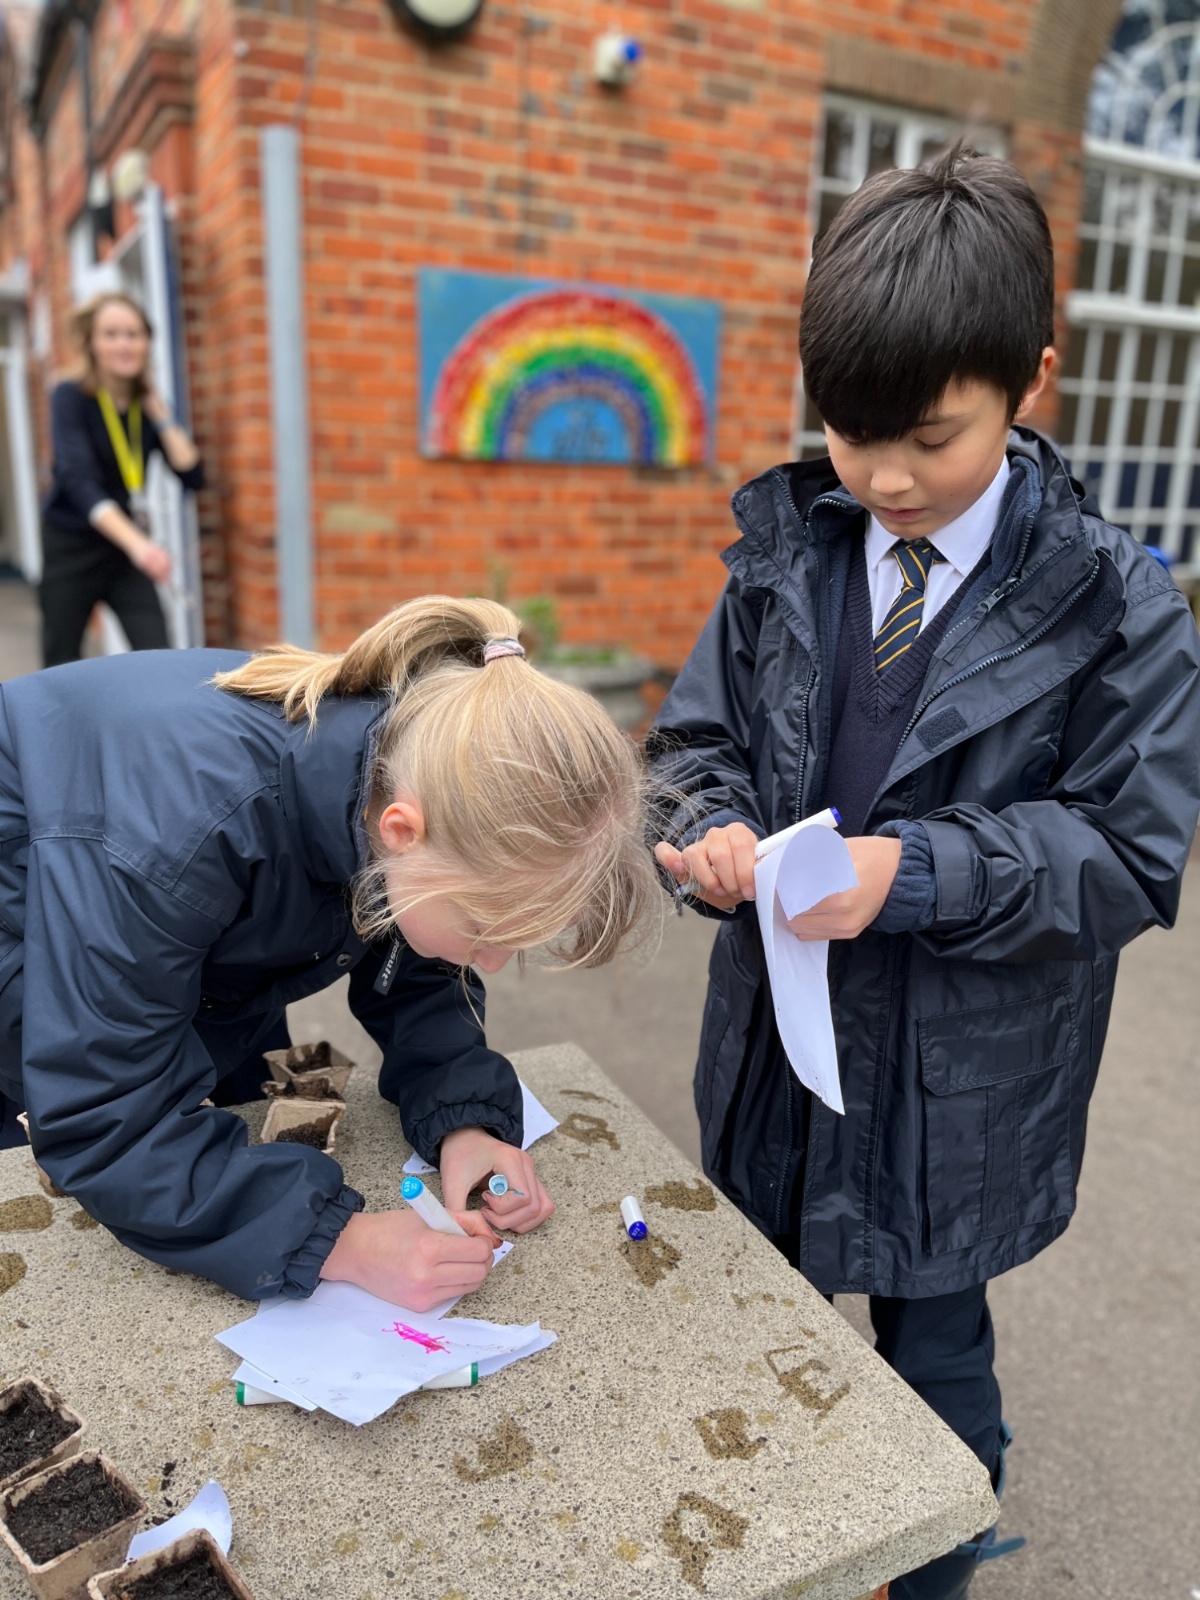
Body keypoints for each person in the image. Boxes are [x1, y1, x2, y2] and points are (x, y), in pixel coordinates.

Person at [648, 148, 1200, 1600]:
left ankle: (934, 1567)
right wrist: (704, 830)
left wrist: (910, 873)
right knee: (748, 1325)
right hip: (777, 1044)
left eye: (930, 437)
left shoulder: (1117, 603)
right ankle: (774, 1552)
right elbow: (691, 744)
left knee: (936, 1356)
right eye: (849, 430)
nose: (884, 476)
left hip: (963, 1085)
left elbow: (1127, 854)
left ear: (1032, 381)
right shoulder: (787, 554)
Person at [0, 596, 661, 1311]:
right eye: (485, 929)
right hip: (32, 927)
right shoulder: (179, 838)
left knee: (219, 1115)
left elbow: (411, 951)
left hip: (181, 944)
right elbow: (104, 1113)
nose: (492, 961)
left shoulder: (412, 772)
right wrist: (341, 1241)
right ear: (401, 832)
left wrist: (462, 1117)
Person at [39, 291, 203, 667]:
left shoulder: (147, 407)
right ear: (92, 343)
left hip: (122, 552)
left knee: (158, 655)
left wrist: (162, 417)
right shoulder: (70, 397)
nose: (123, 344)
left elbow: (193, 475)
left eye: (133, 334)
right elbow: (78, 481)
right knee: (61, 658)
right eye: (111, 334)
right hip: (73, 544)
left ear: (147, 342)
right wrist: (141, 547)